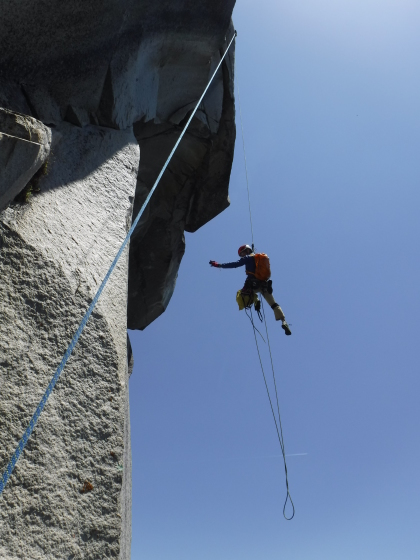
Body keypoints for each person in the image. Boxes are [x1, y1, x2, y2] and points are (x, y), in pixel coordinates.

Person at [210, 244, 292, 335]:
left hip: (252, 284)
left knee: (242, 294)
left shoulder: (248, 258)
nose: (242, 256)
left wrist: (219, 265)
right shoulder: (258, 257)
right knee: (273, 304)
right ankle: (284, 321)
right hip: (263, 283)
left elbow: (235, 264)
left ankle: (256, 300)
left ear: (246, 251)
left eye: (242, 254)